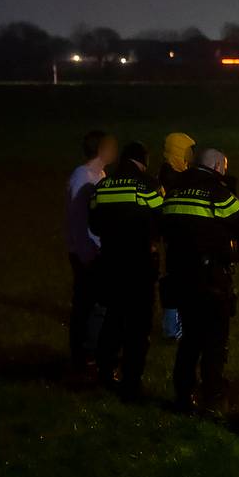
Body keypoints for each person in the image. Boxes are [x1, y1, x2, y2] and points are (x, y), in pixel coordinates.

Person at [161, 148, 239, 413]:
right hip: (211, 280)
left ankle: (182, 394)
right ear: (216, 166)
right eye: (224, 167)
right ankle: (212, 395)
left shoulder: (175, 192)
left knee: (190, 338)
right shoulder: (217, 193)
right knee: (215, 339)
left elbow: (164, 226)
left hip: (181, 277)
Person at [89, 141, 164, 399]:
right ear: (142, 160)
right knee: (138, 325)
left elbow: (95, 224)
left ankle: (105, 371)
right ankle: (131, 379)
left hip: (110, 263)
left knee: (113, 318)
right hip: (139, 265)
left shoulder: (103, 185)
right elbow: (161, 219)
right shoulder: (147, 185)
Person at [66, 130, 117, 373]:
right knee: (85, 305)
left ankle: (92, 352)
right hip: (86, 254)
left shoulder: (100, 175)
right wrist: (87, 254)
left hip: (97, 251)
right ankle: (81, 357)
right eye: (110, 146)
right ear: (100, 150)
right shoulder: (83, 177)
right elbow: (77, 221)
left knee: (97, 304)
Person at [157, 132, 195, 341]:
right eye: (187, 152)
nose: (191, 157)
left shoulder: (175, 175)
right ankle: (172, 328)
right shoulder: (170, 179)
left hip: (176, 237)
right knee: (175, 281)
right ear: (177, 153)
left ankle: (174, 325)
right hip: (174, 239)